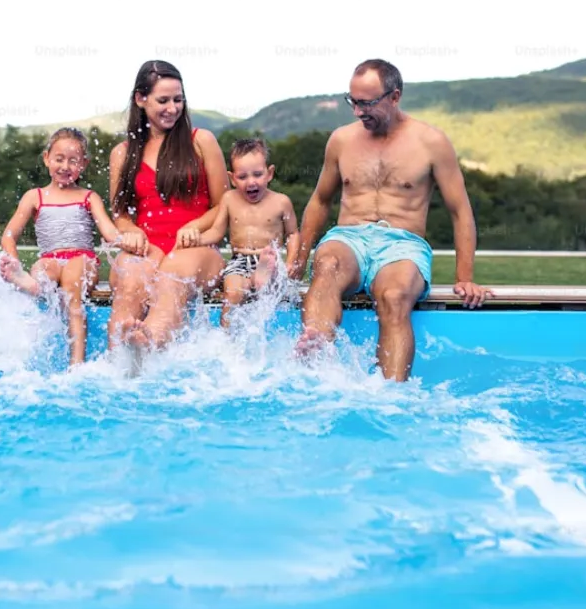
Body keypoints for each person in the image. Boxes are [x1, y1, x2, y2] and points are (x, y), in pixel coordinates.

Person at [289, 59, 493, 381]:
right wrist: (299, 260)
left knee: (395, 297)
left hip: (403, 244)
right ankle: (314, 364)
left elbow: (460, 211)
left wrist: (464, 276)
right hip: (349, 237)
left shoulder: (431, 142)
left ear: (394, 97)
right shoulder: (341, 140)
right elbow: (321, 200)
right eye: (353, 102)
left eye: (367, 103)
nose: (358, 111)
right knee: (326, 266)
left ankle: (391, 397)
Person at [106, 60, 230, 351]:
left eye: (178, 100)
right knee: (131, 282)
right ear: (140, 98)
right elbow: (120, 215)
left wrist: (195, 226)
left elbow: (224, 204)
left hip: (195, 247)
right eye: (163, 100)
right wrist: (130, 231)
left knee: (171, 278)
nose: (172, 108)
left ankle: (146, 343)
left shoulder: (202, 141)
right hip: (148, 246)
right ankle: (118, 364)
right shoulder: (122, 154)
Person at [0, 127, 141, 365]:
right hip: (51, 258)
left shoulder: (88, 196)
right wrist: (13, 261)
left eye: (73, 161)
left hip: (83, 260)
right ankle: (31, 282)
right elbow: (9, 236)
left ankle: (76, 363)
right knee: (43, 268)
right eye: (59, 159)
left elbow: (109, 231)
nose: (65, 166)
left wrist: (127, 240)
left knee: (72, 286)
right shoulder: (35, 196)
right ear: (47, 158)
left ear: (83, 164)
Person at [178, 137, 301, 327]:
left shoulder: (281, 202)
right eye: (243, 177)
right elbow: (217, 232)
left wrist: (291, 261)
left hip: (268, 258)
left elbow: (292, 234)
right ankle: (227, 338)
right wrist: (197, 240)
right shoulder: (229, 200)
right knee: (233, 294)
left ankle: (261, 275)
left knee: (268, 285)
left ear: (269, 174)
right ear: (233, 178)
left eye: (257, 174)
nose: (251, 182)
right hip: (240, 260)